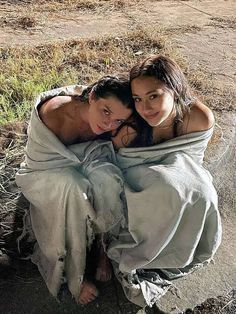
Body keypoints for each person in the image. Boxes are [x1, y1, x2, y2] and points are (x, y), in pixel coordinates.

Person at [109, 55, 222, 307]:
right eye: (138, 99)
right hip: (137, 176)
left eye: (154, 96)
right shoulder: (130, 130)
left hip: (179, 170)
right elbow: (118, 165)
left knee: (201, 191)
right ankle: (142, 253)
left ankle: (178, 252)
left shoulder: (199, 117)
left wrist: (175, 174)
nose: (145, 108)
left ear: (175, 89)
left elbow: (192, 161)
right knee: (168, 188)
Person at [16, 75, 134, 305]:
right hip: (47, 168)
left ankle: (101, 247)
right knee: (73, 189)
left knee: (108, 179)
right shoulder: (55, 115)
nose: (109, 124)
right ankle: (74, 274)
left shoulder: (109, 122)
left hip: (87, 154)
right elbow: (41, 160)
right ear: (91, 97)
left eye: (118, 120)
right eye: (105, 111)